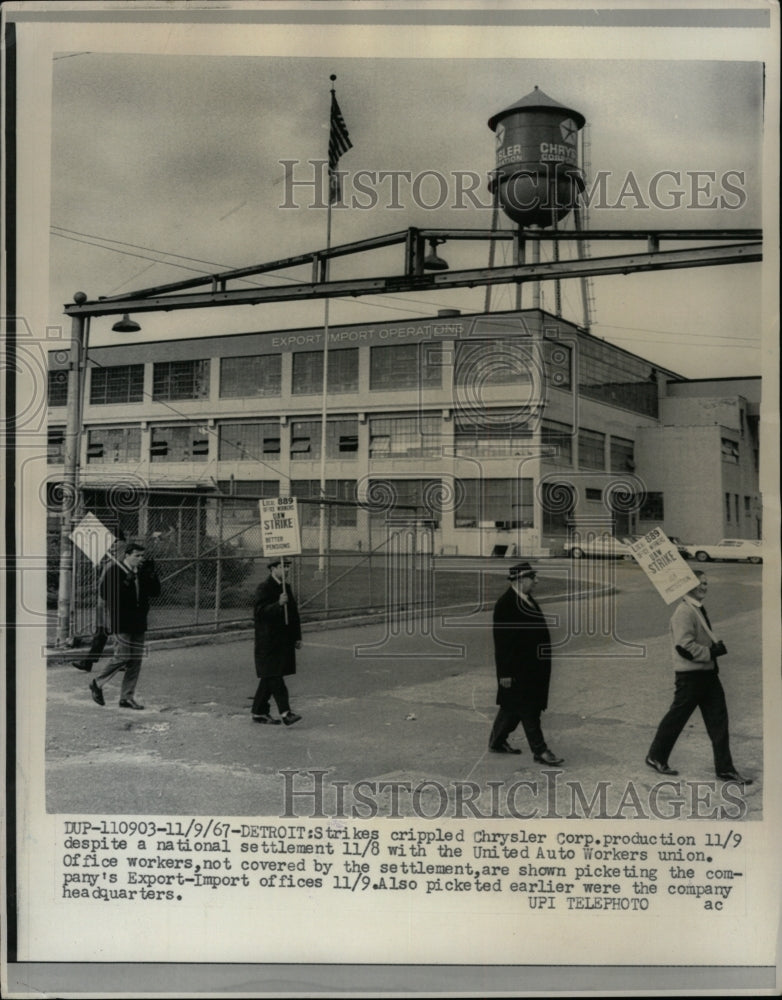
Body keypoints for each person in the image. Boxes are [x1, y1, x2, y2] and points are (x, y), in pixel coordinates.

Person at [646, 570, 752, 785]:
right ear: (688, 585)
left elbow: (695, 641)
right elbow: (684, 646)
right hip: (690, 677)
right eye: (700, 583)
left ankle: (725, 769)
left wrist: (713, 648)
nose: (705, 587)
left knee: (719, 722)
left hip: (708, 675)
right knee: (676, 719)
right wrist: (711, 652)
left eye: (706, 583)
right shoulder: (684, 612)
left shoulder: (696, 609)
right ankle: (656, 756)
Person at [488, 561, 563, 765]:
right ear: (521, 580)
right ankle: (540, 750)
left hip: (533, 668)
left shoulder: (527, 599)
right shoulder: (505, 605)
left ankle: (496, 741)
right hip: (518, 669)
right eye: (533, 577)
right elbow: (502, 644)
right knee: (529, 709)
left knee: (512, 707)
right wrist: (504, 674)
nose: (537, 581)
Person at [89, 541, 161, 710]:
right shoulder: (115, 570)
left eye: (142, 556)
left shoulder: (141, 572)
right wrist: (126, 582)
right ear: (127, 555)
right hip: (121, 620)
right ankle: (97, 683)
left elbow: (155, 593)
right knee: (122, 656)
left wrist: (152, 575)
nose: (140, 559)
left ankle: (127, 697)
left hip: (138, 621)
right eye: (137, 555)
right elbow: (105, 593)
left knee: (135, 660)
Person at [251, 557, 303, 726]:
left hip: (283, 640)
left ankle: (259, 711)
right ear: (273, 569)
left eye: (288, 567)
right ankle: (286, 713)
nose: (286, 570)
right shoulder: (264, 588)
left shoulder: (285, 587)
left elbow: (294, 614)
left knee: (270, 676)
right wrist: (278, 604)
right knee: (275, 676)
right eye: (282, 566)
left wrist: (297, 637)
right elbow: (259, 613)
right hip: (268, 642)